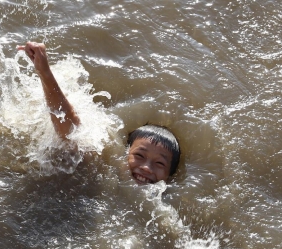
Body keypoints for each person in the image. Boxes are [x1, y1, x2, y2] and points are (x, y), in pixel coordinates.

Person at [17, 42, 180, 185]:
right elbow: (71, 128)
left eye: (160, 164)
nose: (146, 167)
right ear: (124, 155)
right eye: (139, 155)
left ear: (169, 176)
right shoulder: (102, 169)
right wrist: (45, 74)